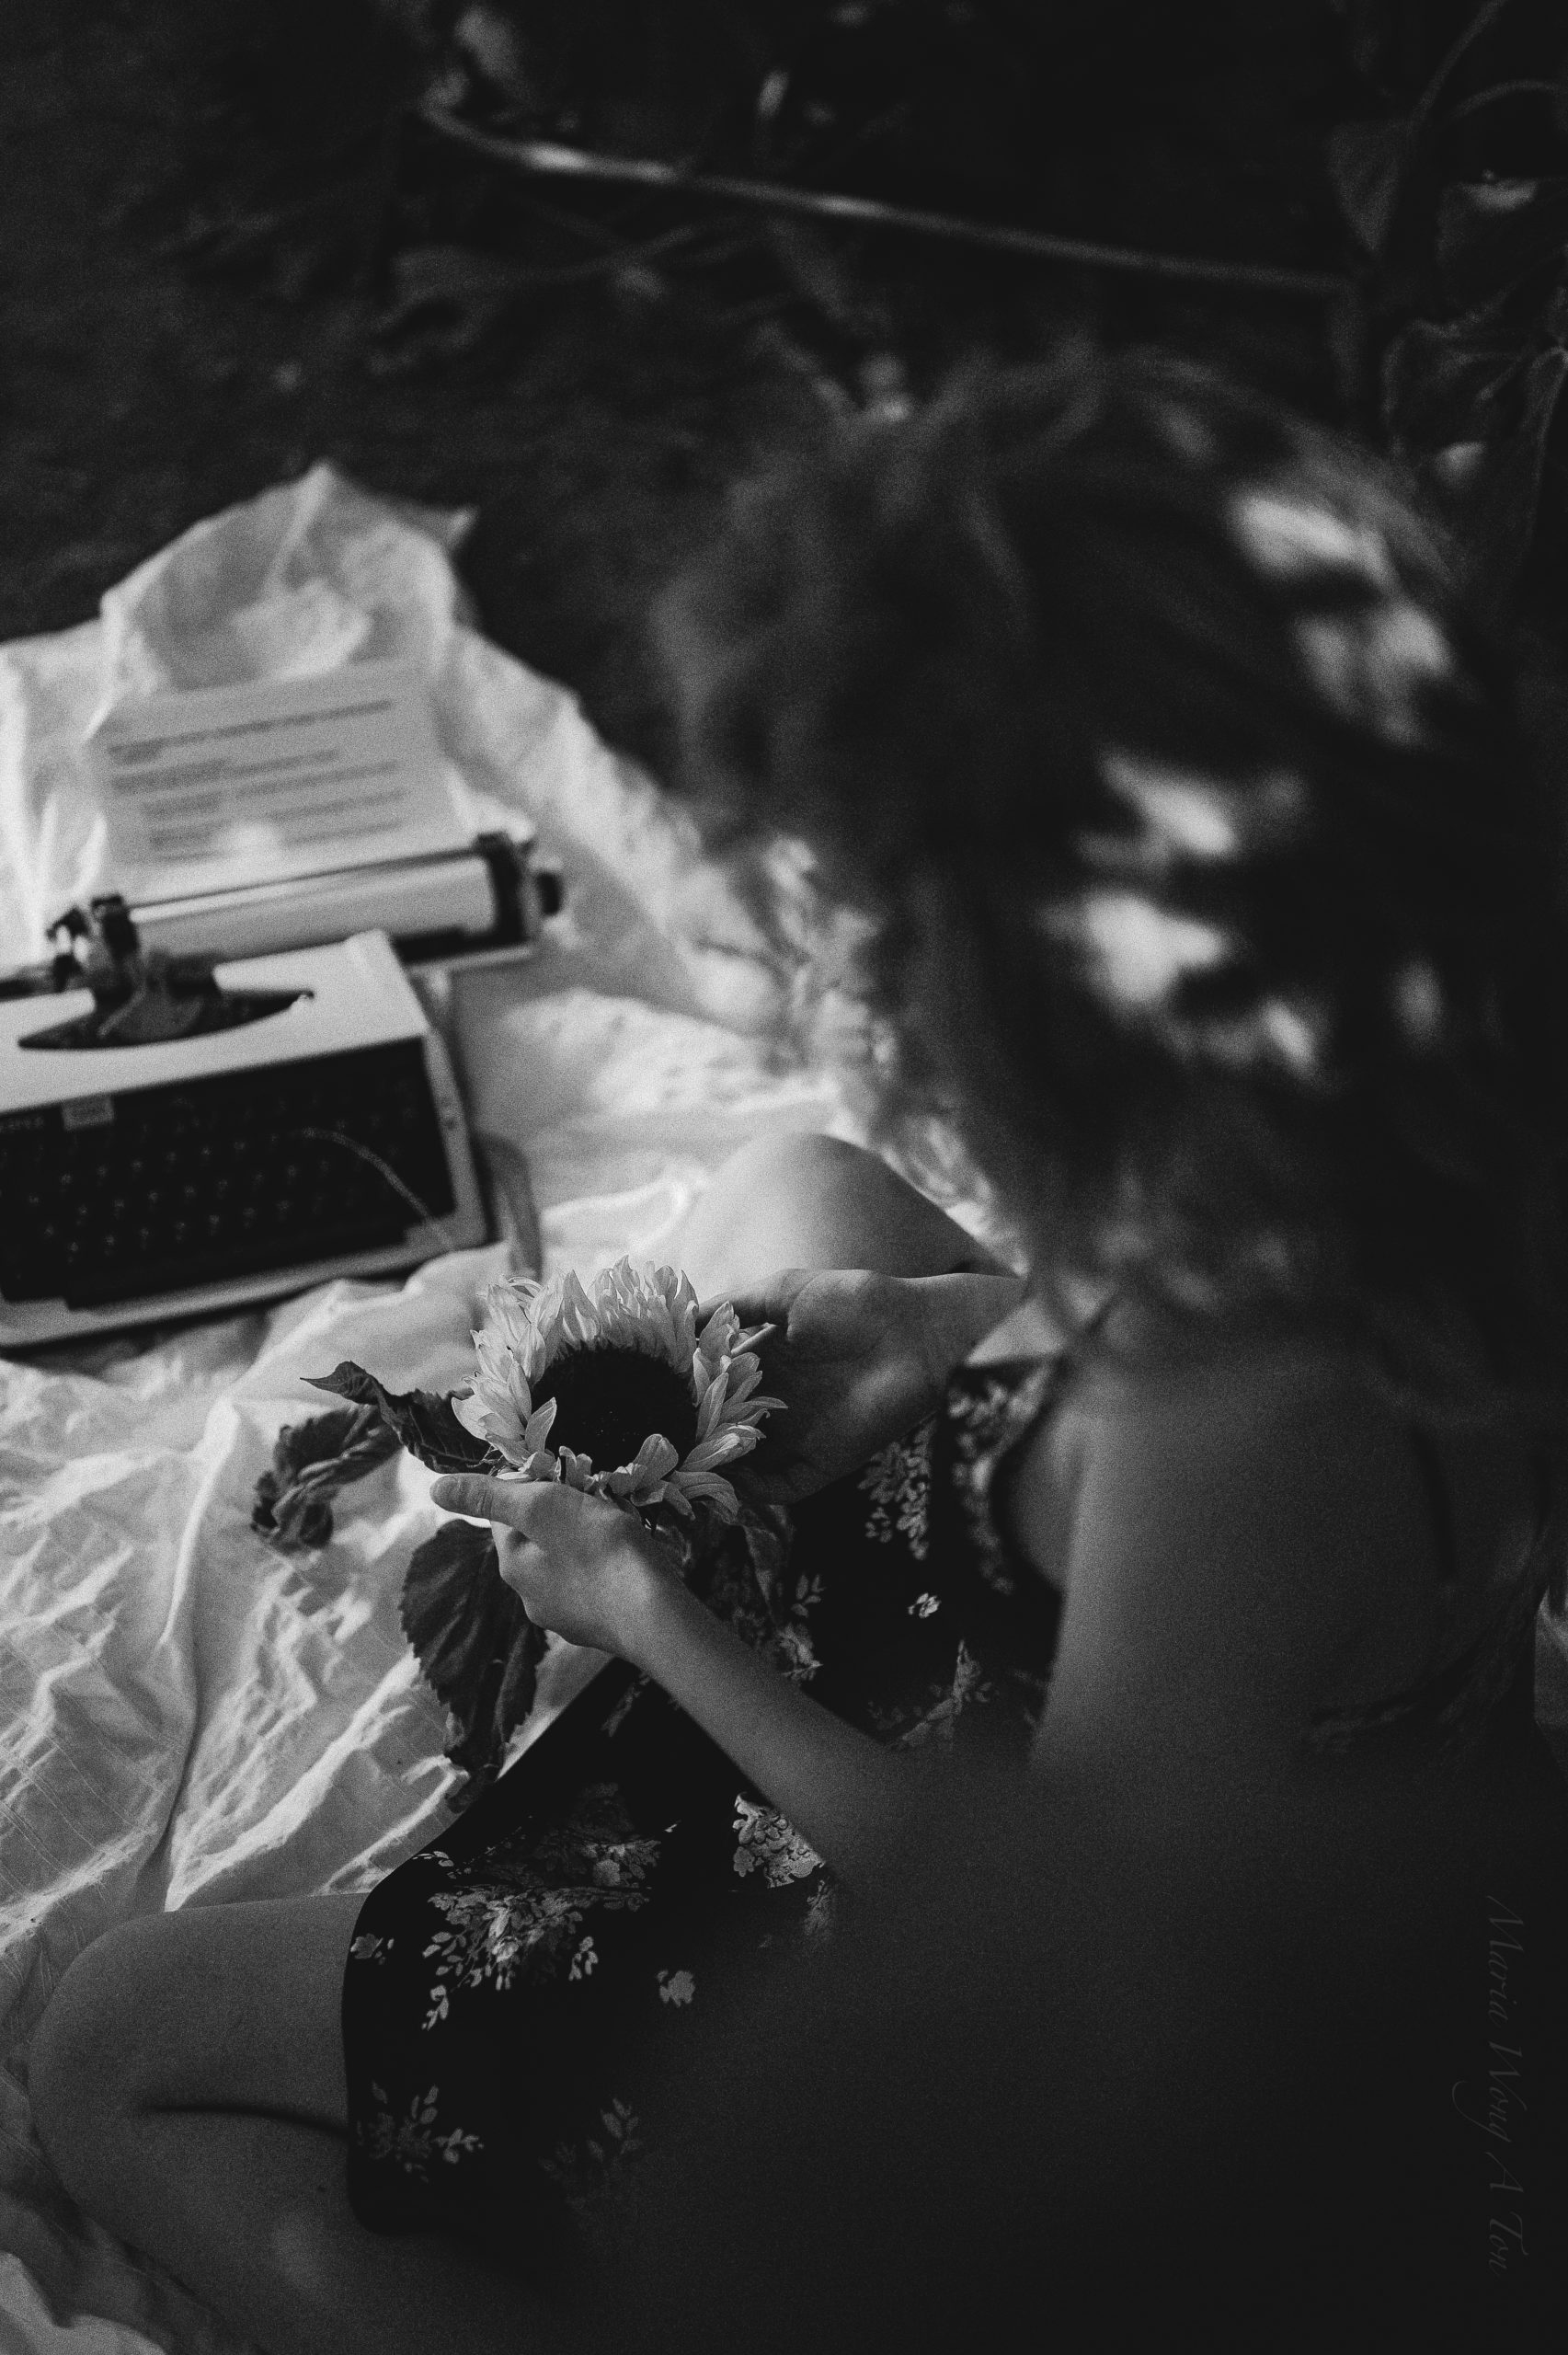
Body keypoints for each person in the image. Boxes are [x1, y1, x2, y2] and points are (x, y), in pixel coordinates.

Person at [27, 348, 1568, 2352]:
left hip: (1029, 2001)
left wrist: (656, 1621)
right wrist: (947, 1337)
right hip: (1176, 1707)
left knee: (108, 2041)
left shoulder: (1246, 1399)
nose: (850, 966)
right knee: (801, 1194)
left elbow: (1041, 1932)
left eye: (881, 905)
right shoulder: (1400, 1079)